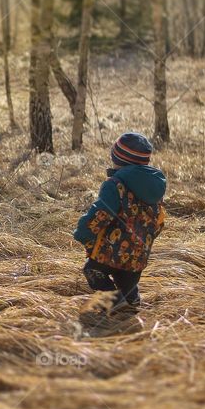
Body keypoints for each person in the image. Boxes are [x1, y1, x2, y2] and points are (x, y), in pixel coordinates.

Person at [73, 132, 167, 314]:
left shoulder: (115, 184)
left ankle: (114, 302)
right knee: (128, 285)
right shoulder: (155, 188)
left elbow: (101, 212)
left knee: (93, 271)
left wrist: (83, 232)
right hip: (139, 254)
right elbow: (159, 219)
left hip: (111, 250)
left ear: (117, 159)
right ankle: (130, 308)